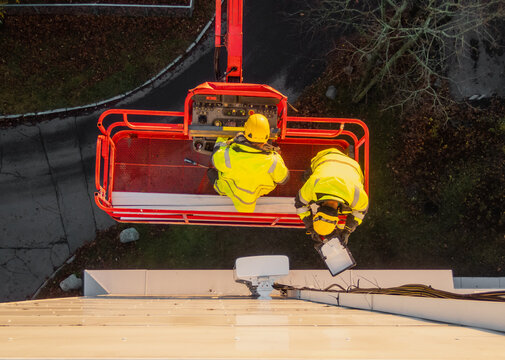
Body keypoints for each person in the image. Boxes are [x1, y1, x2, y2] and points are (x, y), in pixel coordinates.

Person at [208, 114, 290, 212]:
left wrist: (224, 138)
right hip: (257, 191)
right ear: (267, 135)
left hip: (228, 188)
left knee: (212, 174)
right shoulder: (274, 160)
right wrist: (277, 155)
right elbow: (284, 179)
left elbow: (215, 156)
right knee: (211, 173)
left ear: (245, 131)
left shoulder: (229, 156)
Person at [294, 148, 368, 245]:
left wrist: (347, 231)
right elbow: (300, 205)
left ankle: (348, 155)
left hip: (353, 165)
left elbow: (360, 213)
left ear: (336, 218)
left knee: (350, 208)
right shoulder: (312, 187)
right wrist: (310, 227)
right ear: (317, 213)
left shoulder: (356, 196)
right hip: (326, 156)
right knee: (305, 178)